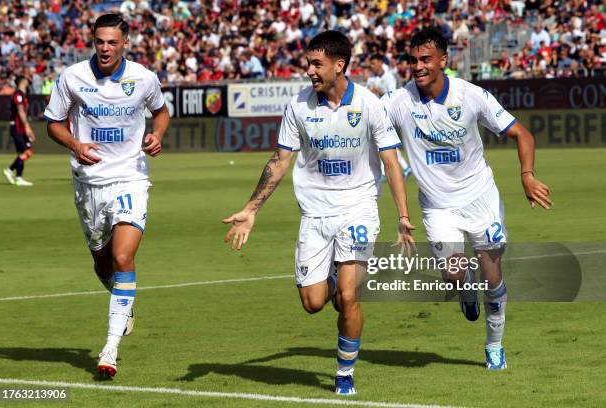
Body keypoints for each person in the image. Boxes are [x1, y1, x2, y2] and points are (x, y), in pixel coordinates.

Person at [223, 30, 415, 395]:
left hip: (358, 209)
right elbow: (280, 160)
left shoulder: (369, 104)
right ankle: (332, 277)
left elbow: (391, 163)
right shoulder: (298, 106)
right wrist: (251, 209)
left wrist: (403, 216)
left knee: (349, 297)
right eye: (308, 63)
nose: (309, 70)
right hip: (315, 214)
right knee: (313, 303)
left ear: (339, 65)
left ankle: (344, 374)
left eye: (316, 64)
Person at [385, 28, 552, 371]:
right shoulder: (399, 101)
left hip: (480, 198)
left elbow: (522, 134)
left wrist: (527, 175)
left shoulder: (472, 95)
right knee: (453, 273)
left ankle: (494, 346)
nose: (418, 67)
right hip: (437, 206)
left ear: (444, 61)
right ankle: (463, 288)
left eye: (426, 60)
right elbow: (365, 122)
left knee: (493, 280)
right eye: (413, 60)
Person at [43, 13, 170, 378]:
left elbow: (161, 113)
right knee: (103, 264)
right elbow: (53, 123)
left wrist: (157, 135)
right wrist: (74, 143)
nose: (105, 48)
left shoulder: (144, 78)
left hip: (130, 178)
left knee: (123, 255)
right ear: (93, 41)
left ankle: (110, 349)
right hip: (88, 183)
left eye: (112, 42)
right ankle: (122, 299)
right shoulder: (73, 77)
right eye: (100, 41)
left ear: (125, 42)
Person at [3, 76, 36, 186]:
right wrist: (27, 127)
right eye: (27, 79)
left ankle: (19, 178)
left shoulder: (22, 95)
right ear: (23, 82)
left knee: (24, 152)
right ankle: (10, 170)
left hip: (20, 127)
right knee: (27, 151)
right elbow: (20, 112)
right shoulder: (18, 95)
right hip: (17, 127)